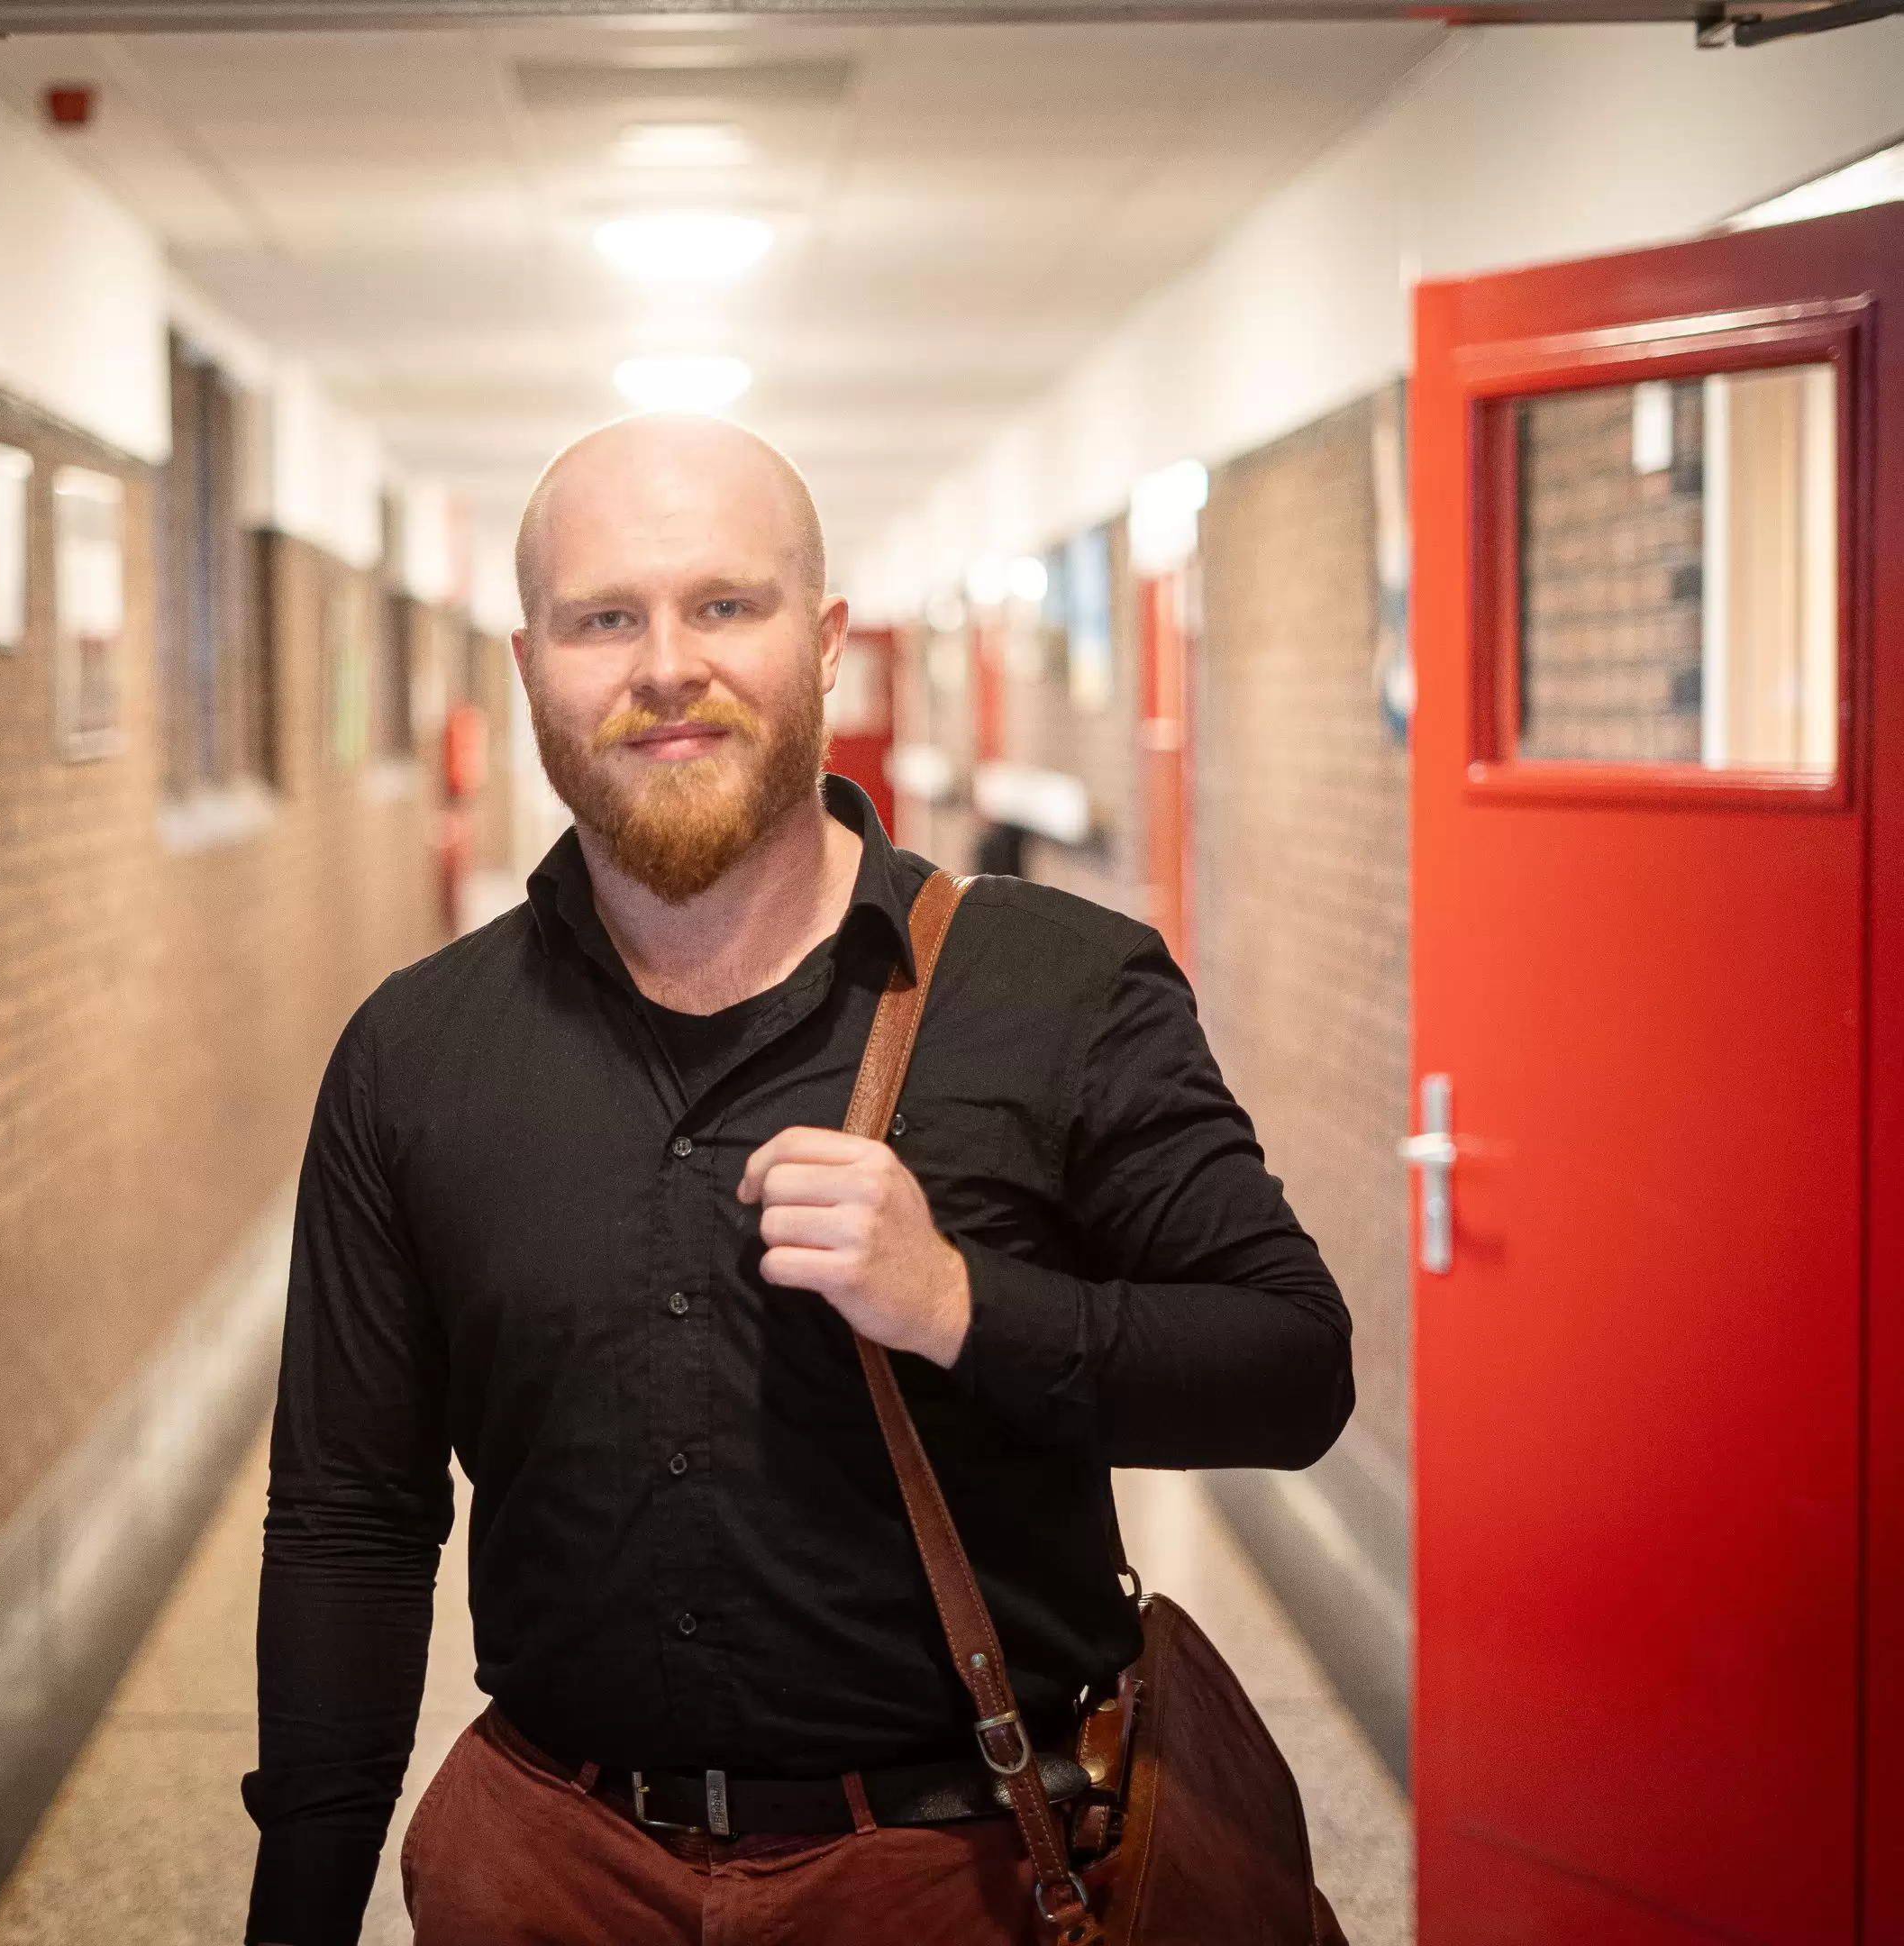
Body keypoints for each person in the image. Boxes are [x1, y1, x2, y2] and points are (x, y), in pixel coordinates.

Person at [243, 414, 1351, 1945]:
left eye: (724, 605)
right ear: (528, 665)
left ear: (825, 643)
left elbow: (1293, 1371)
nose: (665, 666)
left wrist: (964, 1305)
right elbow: (348, 1519)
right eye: (604, 618)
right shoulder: (415, 1056)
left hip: (968, 1874)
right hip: (549, 1870)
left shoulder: (1061, 990)